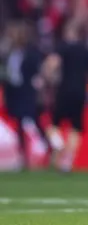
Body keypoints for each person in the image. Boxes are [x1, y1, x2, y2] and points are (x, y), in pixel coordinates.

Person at [43, 23, 88, 173]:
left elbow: (51, 64)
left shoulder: (63, 47)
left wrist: (48, 78)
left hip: (64, 89)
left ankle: (58, 146)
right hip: (81, 91)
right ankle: (67, 161)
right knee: (76, 127)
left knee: (53, 124)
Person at [0, 21, 50, 171]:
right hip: (14, 93)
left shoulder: (32, 53)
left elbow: (38, 72)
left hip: (28, 93)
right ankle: (23, 156)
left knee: (33, 121)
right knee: (20, 123)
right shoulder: (9, 53)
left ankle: (51, 147)